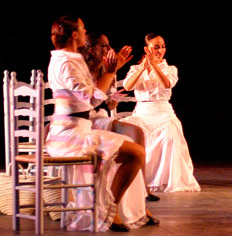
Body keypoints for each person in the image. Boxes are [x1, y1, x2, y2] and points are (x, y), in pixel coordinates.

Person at [45, 16, 158, 232]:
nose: (85, 30)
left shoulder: (67, 59)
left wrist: (113, 71)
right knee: (136, 154)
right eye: (83, 27)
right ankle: (110, 210)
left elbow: (96, 97)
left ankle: (118, 208)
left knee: (130, 148)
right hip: (71, 135)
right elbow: (91, 100)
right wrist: (110, 71)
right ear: (76, 34)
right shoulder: (67, 63)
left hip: (77, 130)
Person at [83, 32, 160, 201]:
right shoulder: (81, 69)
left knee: (136, 132)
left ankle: (143, 188)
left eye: (109, 44)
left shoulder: (108, 68)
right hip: (81, 119)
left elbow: (109, 105)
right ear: (90, 50)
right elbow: (89, 102)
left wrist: (114, 98)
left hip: (96, 117)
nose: (110, 49)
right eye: (104, 46)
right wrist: (112, 70)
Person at [122, 33, 201, 193]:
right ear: (147, 49)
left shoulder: (170, 69)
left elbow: (166, 84)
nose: (160, 50)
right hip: (142, 113)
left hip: (163, 112)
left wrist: (155, 66)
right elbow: (128, 86)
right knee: (130, 134)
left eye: (163, 46)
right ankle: (136, 179)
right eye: (156, 46)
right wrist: (143, 68)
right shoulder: (135, 68)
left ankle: (163, 180)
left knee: (169, 135)